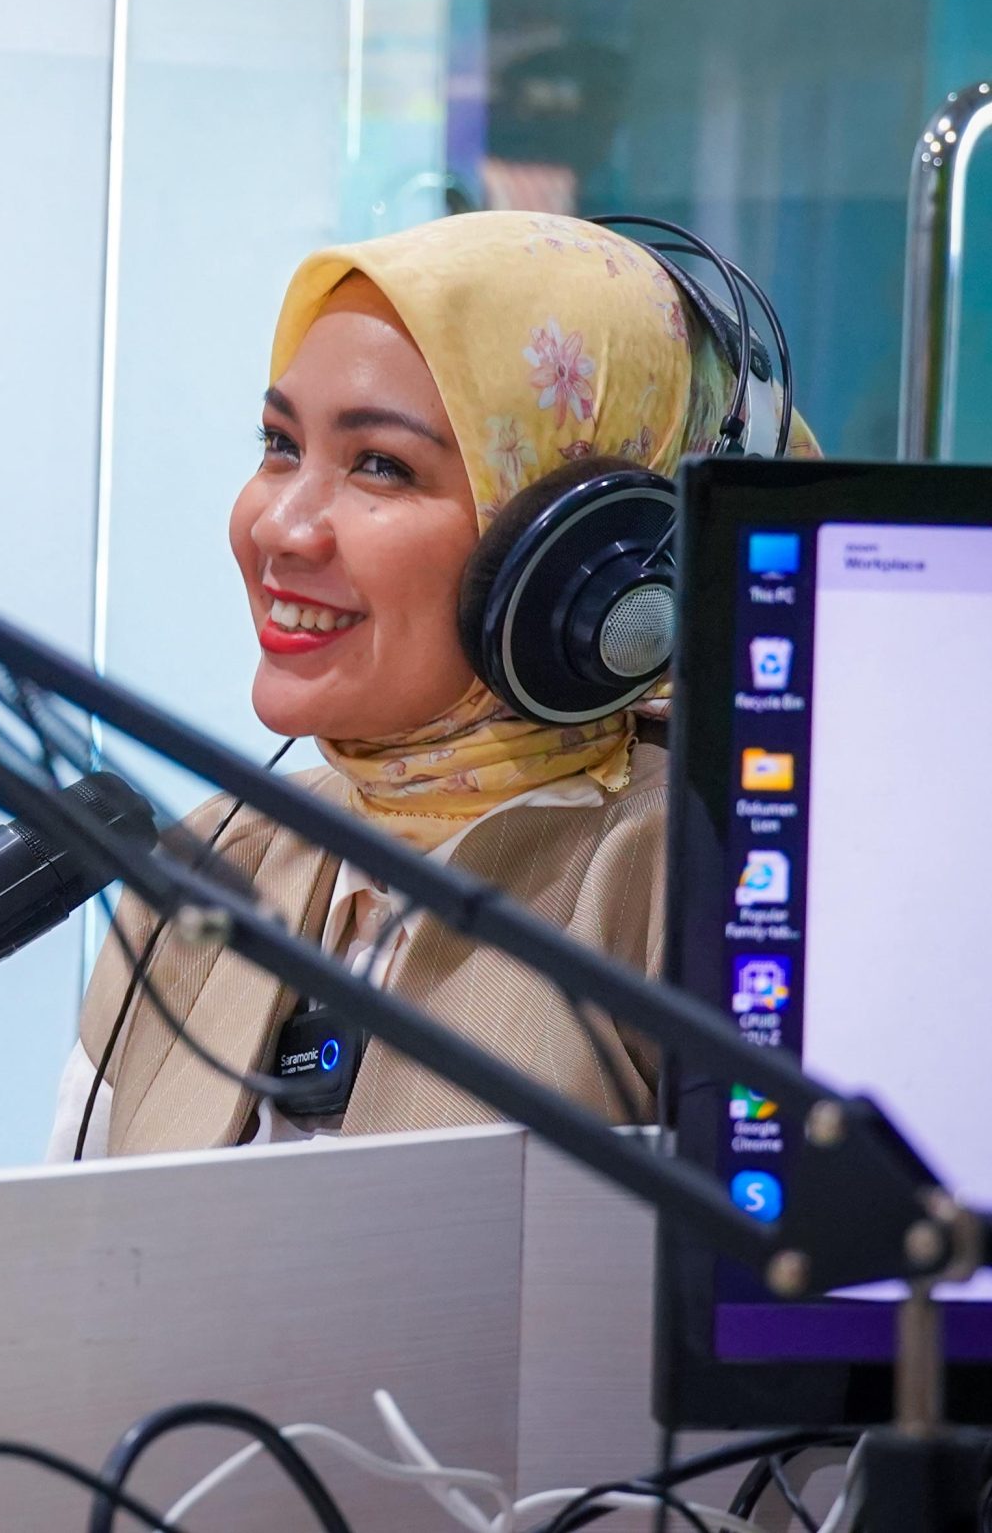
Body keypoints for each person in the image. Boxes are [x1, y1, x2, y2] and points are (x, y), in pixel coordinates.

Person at [52, 210, 810, 1159]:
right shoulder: (216, 863)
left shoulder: (712, 885)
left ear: (586, 557)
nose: (280, 526)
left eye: (381, 466)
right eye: (280, 443)